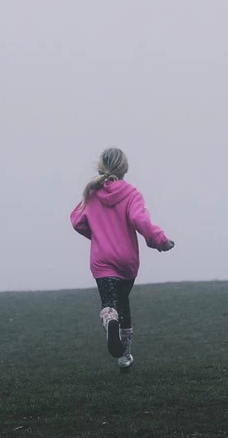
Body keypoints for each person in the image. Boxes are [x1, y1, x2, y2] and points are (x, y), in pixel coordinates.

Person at [70, 147, 174, 372]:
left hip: (102, 260)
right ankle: (124, 358)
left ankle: (110, 323)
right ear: (125, 169)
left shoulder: (91, 193)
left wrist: (97, 235)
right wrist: (161, 241)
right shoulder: (132, 194)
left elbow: (77, 220)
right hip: (127, 261)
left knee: (110, 303)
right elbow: (141, 221)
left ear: (100, 167)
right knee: (124, 304)